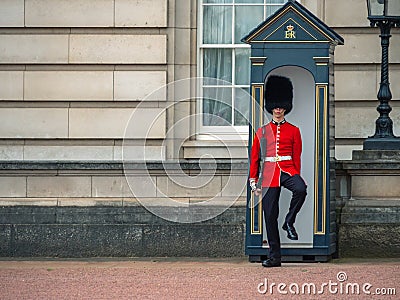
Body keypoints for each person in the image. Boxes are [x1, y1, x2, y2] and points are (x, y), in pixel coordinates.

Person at [249, 75, 307, 268]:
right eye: (275, 106)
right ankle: (275, 257)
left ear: (285, 107)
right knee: (270, 215)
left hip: (287, 170)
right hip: (268, 174)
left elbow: (296, 156)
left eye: (281, 106)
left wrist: (295, 174)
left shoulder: (294, 130)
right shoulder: (262, 131)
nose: (278, 109)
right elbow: (255, 159)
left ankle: (289, 221)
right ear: (271, 106)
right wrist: (253, 182)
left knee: (300, 189)